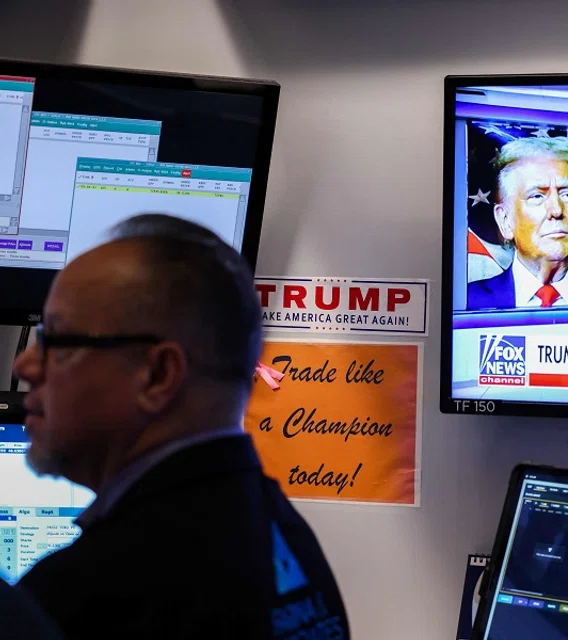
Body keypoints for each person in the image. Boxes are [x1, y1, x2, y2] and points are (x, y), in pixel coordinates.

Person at [12, 214, 349, 639]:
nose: (22, 365)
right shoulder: (286, 537)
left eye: (56, 341)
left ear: (157, 376)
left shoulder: (86, 595)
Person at [467, 136, 568, 310]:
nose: (556, 211)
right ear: (505, 221)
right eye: (537, 196)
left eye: (567, 195)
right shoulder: (467, 303)